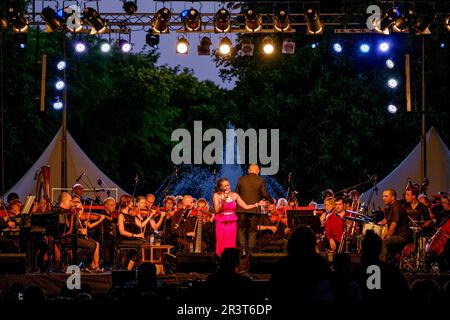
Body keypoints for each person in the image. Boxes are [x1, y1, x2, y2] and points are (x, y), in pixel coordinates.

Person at [213, 177, 266, 257]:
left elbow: (245, 206)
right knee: (221, 242)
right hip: (221, 222)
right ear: (221, 187)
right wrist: (223, 201)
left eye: (228, 185)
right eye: (225, 186)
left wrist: (257, 204)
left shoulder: (235, 195)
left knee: (230, 242)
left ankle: (231, 261)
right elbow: (217, 210)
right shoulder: (216, 195)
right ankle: (220, 261)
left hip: (232, 223)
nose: (228, 187)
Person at [235, 164, 272, 254]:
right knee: (252, 231)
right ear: (258, 171)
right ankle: (251, 251)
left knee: (241, 229)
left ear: (248, 170)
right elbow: (264, 194)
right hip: (254, 210)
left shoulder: (241, 179)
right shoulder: (260, 180)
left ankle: (243, 249)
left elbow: (236, 194)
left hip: (241, 210)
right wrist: (271, 199)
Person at [379, 188, 411, 263]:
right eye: (383, 196)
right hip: (396, 235)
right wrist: (382, 237)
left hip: (402, 236)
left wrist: (387, 237)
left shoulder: (396, 207)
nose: (383, 198)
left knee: (384, 242)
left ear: (393, 197)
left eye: (386, 196)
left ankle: (381, 264)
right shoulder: (391, 207)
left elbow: (394, 225)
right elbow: (388, 224)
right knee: (381, 241)